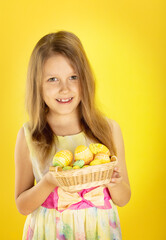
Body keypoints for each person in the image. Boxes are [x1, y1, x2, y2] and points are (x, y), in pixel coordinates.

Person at [14, 30, 131, 240]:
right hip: (50, 233)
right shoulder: (30, 136)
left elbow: (123, 198)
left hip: (100, 232)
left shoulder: (108, 130)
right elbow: (22, 205)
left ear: (85, 80)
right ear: (37, 86)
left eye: (73, 77)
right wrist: (49, 182)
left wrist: (113, 182)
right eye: (52, 79)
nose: (65, 88)